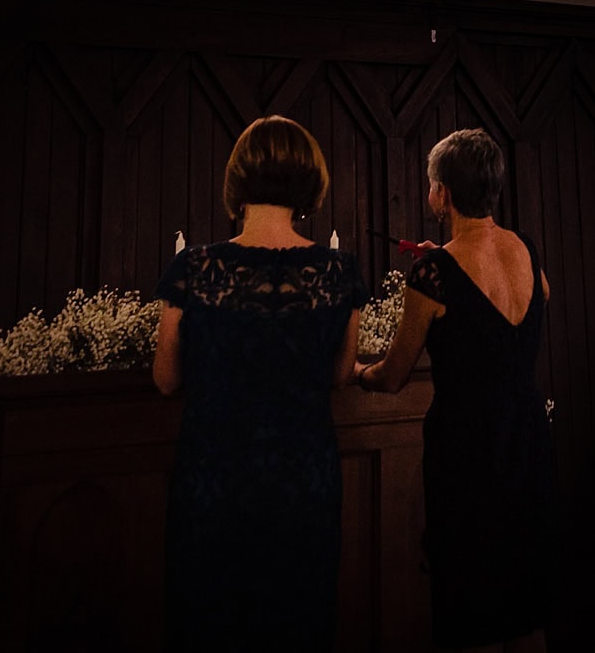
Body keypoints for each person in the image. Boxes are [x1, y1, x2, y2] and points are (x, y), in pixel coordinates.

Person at [152, 115, 368, 652]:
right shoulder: (338, 273)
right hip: (304, 481)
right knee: (298, 621)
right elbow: (340, 376)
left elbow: (165, 379)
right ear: (308, 182)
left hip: (215, 481)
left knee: (211, 621)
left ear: (238, 181)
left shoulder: (196, 268)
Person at [357, 129, 556, 653]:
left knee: (471, 601)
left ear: (443, 193)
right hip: (529, 439)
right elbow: (534, 297)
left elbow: (394, 374)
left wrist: (356, 370)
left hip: (468, 449)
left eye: (430, 183)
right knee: (526, 594)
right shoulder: (527, 250)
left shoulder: (431, 272)